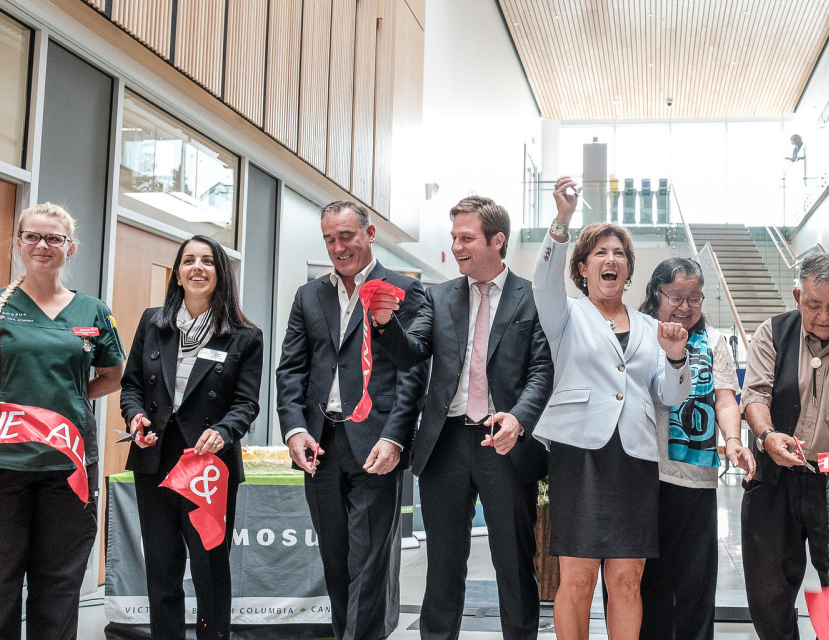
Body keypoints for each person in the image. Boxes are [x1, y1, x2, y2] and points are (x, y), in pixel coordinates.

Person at [380, 196, 553, 640]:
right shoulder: (437, 297)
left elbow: (541, 370)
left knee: (513, 561)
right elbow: (412, 353)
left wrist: (518, 418)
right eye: (453, 237)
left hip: (505, 439)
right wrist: (385, 325)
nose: (456, 246)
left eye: (466, 238)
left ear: (497, 241)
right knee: (443, 562)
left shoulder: (533, 298)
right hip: (446, 443)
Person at [533, 176, 690, 640]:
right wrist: (562, 221)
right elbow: (543, 278)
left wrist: (677, 358)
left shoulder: (650, 326)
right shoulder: (564, 313)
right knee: (577, 578)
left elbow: (670, 395)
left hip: (634, 459)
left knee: (627, 578)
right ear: (582, 267)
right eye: (600, 252)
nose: (611, 259)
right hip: (579, 452)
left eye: (619, 254)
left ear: (628, 270)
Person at [0, 203, 126, 640]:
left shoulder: (93, 311)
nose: (42, 245)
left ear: (70, 248)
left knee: (59, 584)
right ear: (18, 243)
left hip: (69, 466)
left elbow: (113, 376)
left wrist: (68, 399)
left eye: (54, 238)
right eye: (32, 236)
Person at [275, 200, 426, 640]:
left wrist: (397, 437)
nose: (338, 247)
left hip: (376, 445)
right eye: (329, 239)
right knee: (335, 560)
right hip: (320, 443)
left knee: (369, 563)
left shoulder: (404, 289)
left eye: (346, 236)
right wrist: (295, 429)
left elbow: (412, 374)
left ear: (370, 232)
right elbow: (291, 370)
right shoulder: (310, 295)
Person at [118, 235, 263, 640]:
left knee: (209, 566)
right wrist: (136, 417)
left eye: (207, 261)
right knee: (162, 566)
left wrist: (223, 431)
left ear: (221, 274)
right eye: (188, 261)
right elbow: (131, 386)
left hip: (208, 466)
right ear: (177, 273)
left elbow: (246, 403)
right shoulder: (153, 322)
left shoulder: (244, 336)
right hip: (155, 459)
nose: (197, 268)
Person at [740, 252, 829, 638]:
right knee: (769, 591)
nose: (824, 316)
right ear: (796, 296)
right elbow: (753, 395)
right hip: (775, 481)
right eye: (813, 305)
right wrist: (768, 436)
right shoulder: (772, 332)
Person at [637, 257, 754, 640]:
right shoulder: (637, 332)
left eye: (695, 298)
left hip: (696, 481)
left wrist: (734, 440)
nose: (685, 307)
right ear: (656, 293)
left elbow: (725, 399)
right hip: (642, 476)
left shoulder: (714, 340)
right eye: (676, 296)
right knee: (644, 585)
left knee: (695, 586)